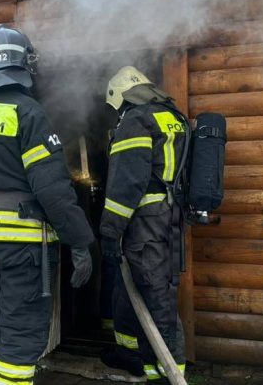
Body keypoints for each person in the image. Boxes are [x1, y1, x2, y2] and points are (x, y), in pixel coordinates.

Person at [0, 24, 95, 385]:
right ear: (24, 65)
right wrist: (80, 241)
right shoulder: (28, 113)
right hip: (23, 242)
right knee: (23, 332)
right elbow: (52, 188)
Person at [99, 66, 187, 383]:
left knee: (156, 298)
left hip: (146, 224)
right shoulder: (172, 116)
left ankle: (166, 374)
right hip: (170, 219)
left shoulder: (136, 120)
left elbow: (126, 184)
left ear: (121, 99)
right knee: (134, 290)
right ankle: (134, 358)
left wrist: (110, 232)